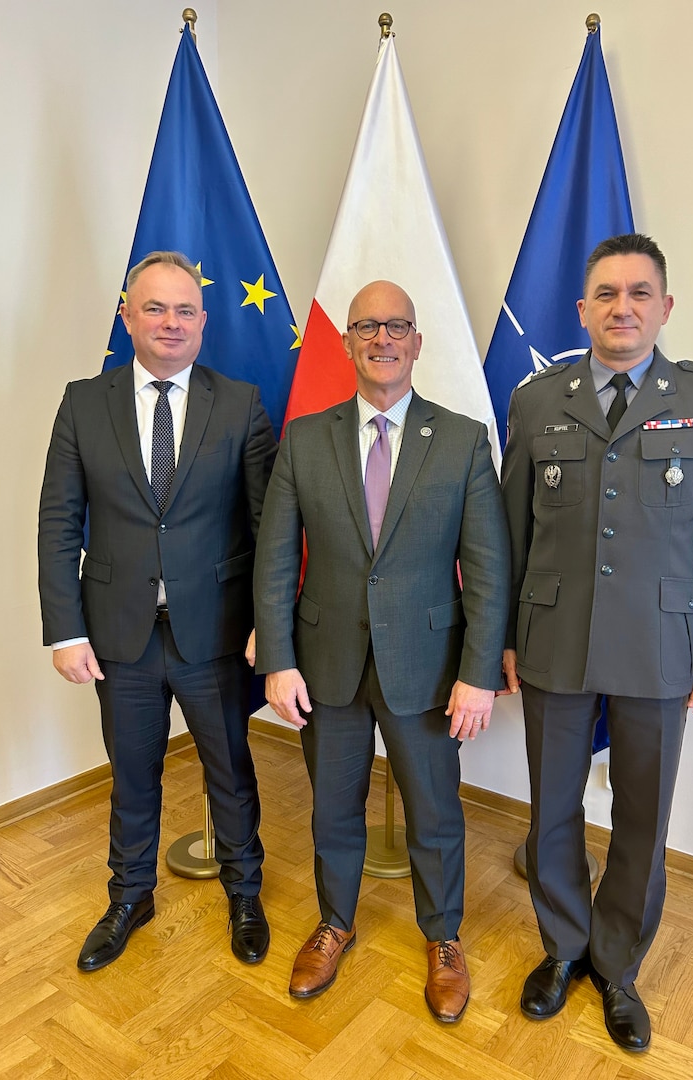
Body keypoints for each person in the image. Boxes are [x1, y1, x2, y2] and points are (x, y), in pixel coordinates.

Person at [501, 233, 693, 1052]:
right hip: (552, 639)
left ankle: (617, 964)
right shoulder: (536, 401)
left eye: (639, 293)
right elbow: (510, 532)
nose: (623, 307)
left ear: (665, 307)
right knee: (552, 811)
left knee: (641, 816)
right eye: (606, 294)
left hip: (659, 644)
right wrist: (502, 640)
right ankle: (563, 949)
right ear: (582, 310)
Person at [253, 280, 509, 1023]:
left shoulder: (461, 440)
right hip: (323, 659)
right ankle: (335, 922)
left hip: (429, 669)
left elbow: (488, 569)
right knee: (333, 809)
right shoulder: (304, 437)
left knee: (434, 814)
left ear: (417, 342)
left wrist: (478, 674)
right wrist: (277, 657)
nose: (382, 338)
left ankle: (443, 938)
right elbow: (276, 559)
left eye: (397, 325)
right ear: (347, 342)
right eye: (367, 325)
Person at [38, 251, 277, 972]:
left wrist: (271, 620)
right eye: (154, 308)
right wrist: (65, 628)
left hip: (216, 635)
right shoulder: (84, 401)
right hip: (119, 637)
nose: (170, 323)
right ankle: (129, 897)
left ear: (203, 322)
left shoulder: (240, 403)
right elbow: (59, 520)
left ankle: (244, 893)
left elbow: (270, 525)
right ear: (127, 315)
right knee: (133, 773)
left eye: (184, 310)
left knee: (230, 770)